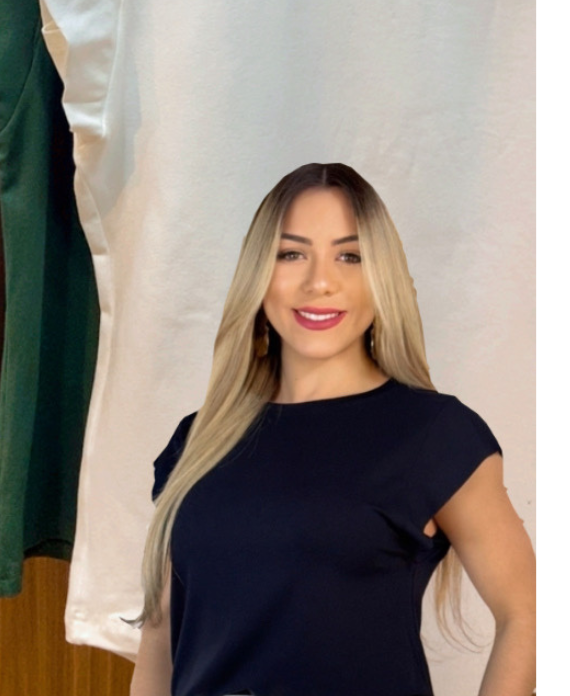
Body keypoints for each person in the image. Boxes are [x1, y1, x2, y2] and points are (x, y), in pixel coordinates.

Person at [128, 163, 536, 696]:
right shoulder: (200, 438)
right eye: (291, 254)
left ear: (382, 277)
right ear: (258, 274)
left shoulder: (435, 435)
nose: (320, 282)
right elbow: (161, 637)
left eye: (350, 256)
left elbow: (527, 612)